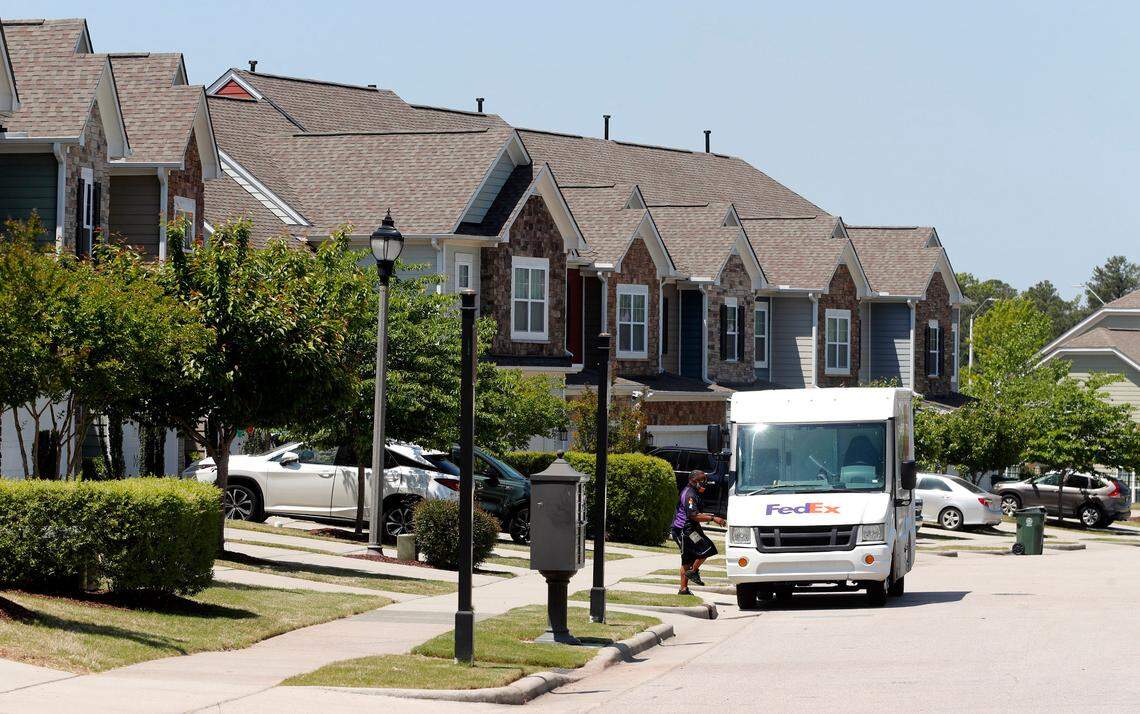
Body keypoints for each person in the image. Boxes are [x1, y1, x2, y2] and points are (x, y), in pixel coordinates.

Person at [672, 470, 725, 594]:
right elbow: (693, 515)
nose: (704, 483)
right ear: (693, 481)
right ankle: (693, 572)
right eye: (702, 481)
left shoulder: (693, 492)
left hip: (691, 528)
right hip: (685, 530)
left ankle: (684, 589)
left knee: (689, 559)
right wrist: (713, 518)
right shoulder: (690, 494)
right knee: (706, 549)